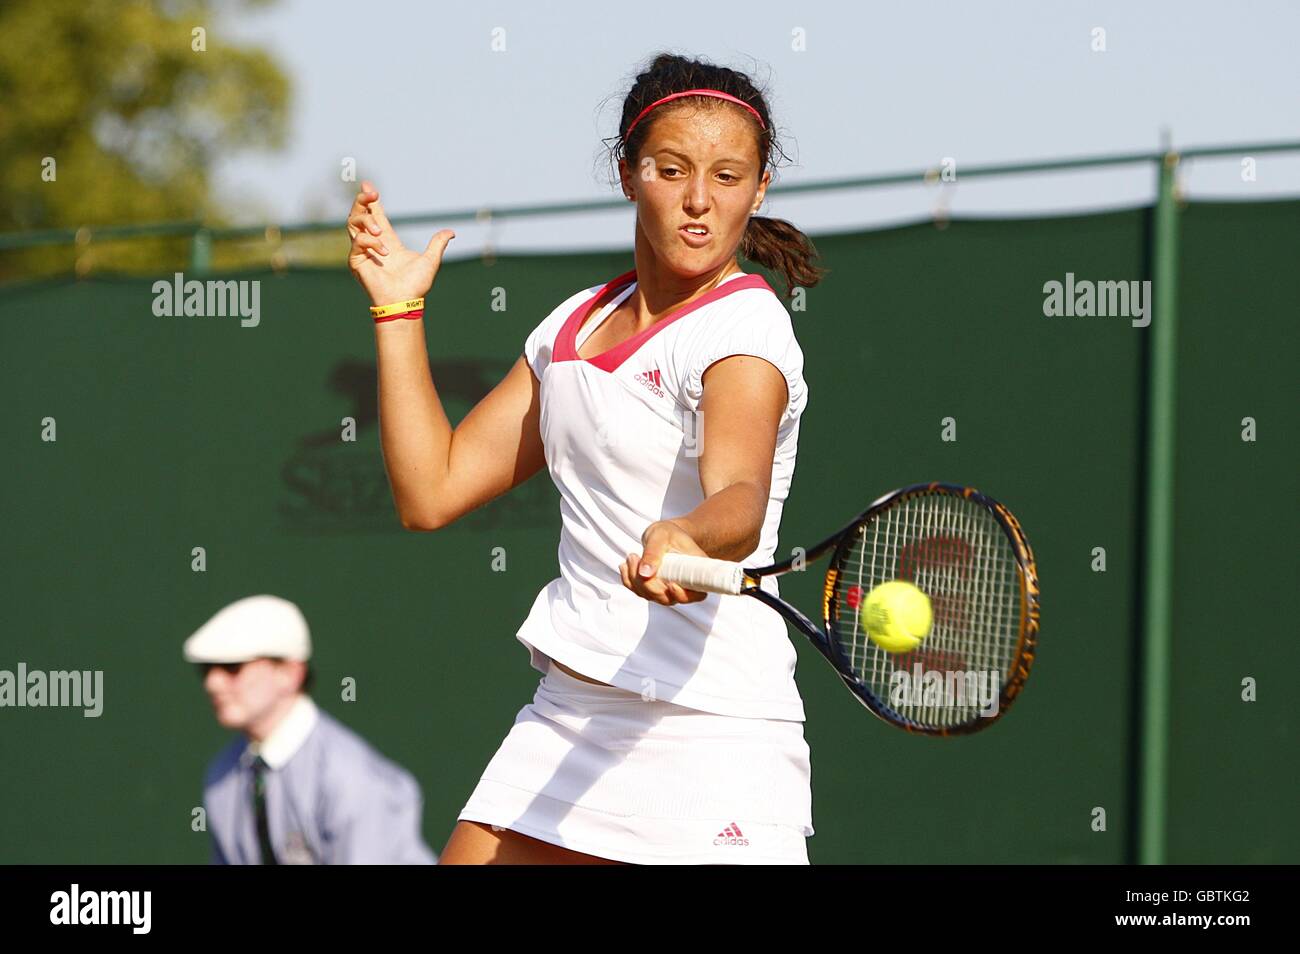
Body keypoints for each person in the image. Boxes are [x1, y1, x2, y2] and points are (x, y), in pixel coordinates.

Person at [346, 52, 827, 864]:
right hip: (574, 712)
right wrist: (398, 308)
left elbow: (740, 497)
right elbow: (430, 491)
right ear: (628, 172)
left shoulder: (745, 332)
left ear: (761, 187)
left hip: (711, 727)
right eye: (671, 171)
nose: (701, 201)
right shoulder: (570, 327)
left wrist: (688, 536)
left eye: (729, 176)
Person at [184, 594, 437, 864]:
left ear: (290, 674)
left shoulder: (352, 778)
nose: (213, 683)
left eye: (232, 667)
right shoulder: (223, 775)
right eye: (207, 670)